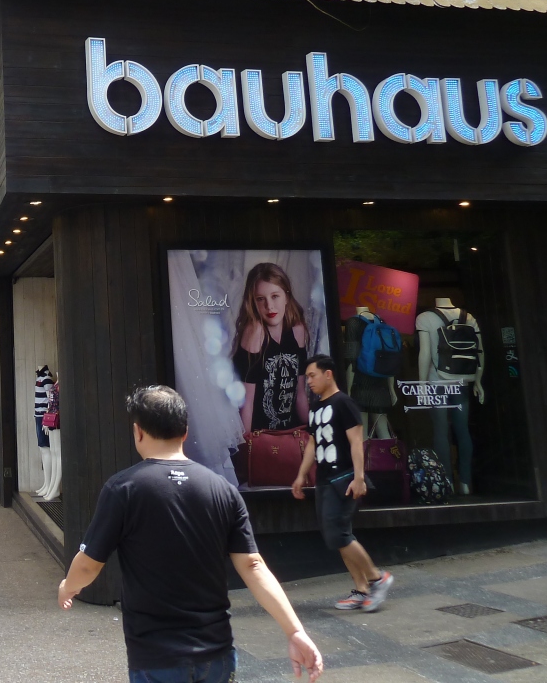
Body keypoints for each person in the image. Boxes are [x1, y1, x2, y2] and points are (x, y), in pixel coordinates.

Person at [59, 386, 323, 683]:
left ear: (138, 432)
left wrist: (69, 586)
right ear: (185, 432)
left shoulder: (123, 489)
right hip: (217, 654)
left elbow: (89, 565)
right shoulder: (222, 490)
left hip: (156, 657)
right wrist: (295, 631)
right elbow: (253, 565)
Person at [293, 355, 394, 613]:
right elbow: (313, 443)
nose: (309, 381)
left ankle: (377, 578)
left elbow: (356, 442)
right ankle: (361, 590)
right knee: (338, 535)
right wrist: (301, 475)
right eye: (307, 377)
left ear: (328, 374)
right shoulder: (316, 406)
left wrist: (359, 478)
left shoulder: (344, 403)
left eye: (313, 375)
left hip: (344, 478)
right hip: (324, 479)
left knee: (338, 533)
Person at [232, 262, 310, 433]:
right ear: (253, 302)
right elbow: (246, 404)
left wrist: (314, 432)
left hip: (292, 432)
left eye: (275, 296)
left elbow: (300, 394)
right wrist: (246, 444)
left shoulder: (297, 331)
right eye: (261, 299)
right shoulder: (255, 333)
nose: (269, 306)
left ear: (286, 297)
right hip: (261, 435)